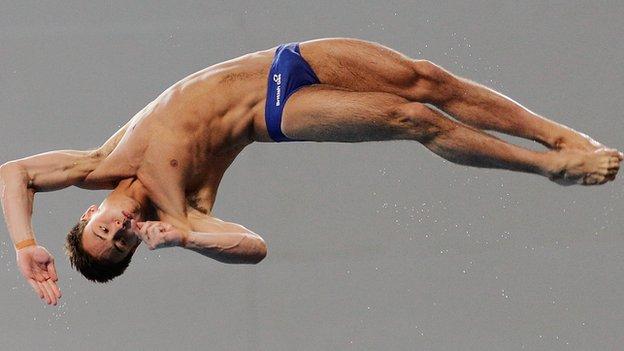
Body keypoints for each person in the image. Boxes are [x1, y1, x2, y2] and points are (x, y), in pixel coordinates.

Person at [1, 38, 621, 306]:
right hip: (273, 110)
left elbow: (13, 173)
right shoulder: (179, 211)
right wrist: (185, 237)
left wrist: (25, 243)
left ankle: (555, 133)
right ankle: (549, 166)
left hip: (280, 59)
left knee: (427, 79)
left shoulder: (94, 166)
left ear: (90, 212)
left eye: (102, 230)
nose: (120, 228)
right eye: (120, 244)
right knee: (412, 118)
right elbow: (255, 248)